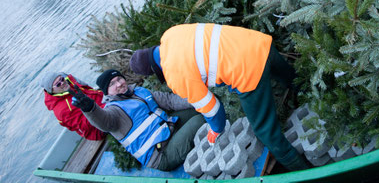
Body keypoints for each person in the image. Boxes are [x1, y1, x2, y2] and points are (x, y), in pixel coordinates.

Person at [129, 23, 311, 171]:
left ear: (153, 71)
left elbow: (213, 108)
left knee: (267, 134)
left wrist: (215, 130)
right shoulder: (170, 34)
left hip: (247, 71)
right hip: (256, 42)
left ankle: (305, 172)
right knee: (292, 79)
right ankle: (314, 94)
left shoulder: (175, 75)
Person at [70, 69, 204, 171]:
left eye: (119, 79)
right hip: (161, 155)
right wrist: (90, 109)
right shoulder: (114, 110)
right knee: (199, 120)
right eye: (112, 84)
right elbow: (104, 121)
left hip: (169, 130)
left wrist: (201, 99)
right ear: (107, 92)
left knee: (199, 109)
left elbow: (169, 101)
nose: (119, 84)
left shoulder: (138, 91)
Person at [40, 72, 106, 141]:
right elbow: (86, 125)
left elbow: (90, 90)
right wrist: (103, 106)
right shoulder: (62, 110)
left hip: (102, 103)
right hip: (97, 128)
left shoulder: (70, 84)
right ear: (52, 91)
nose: (62, 83)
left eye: (62, 79)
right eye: (58, 84)